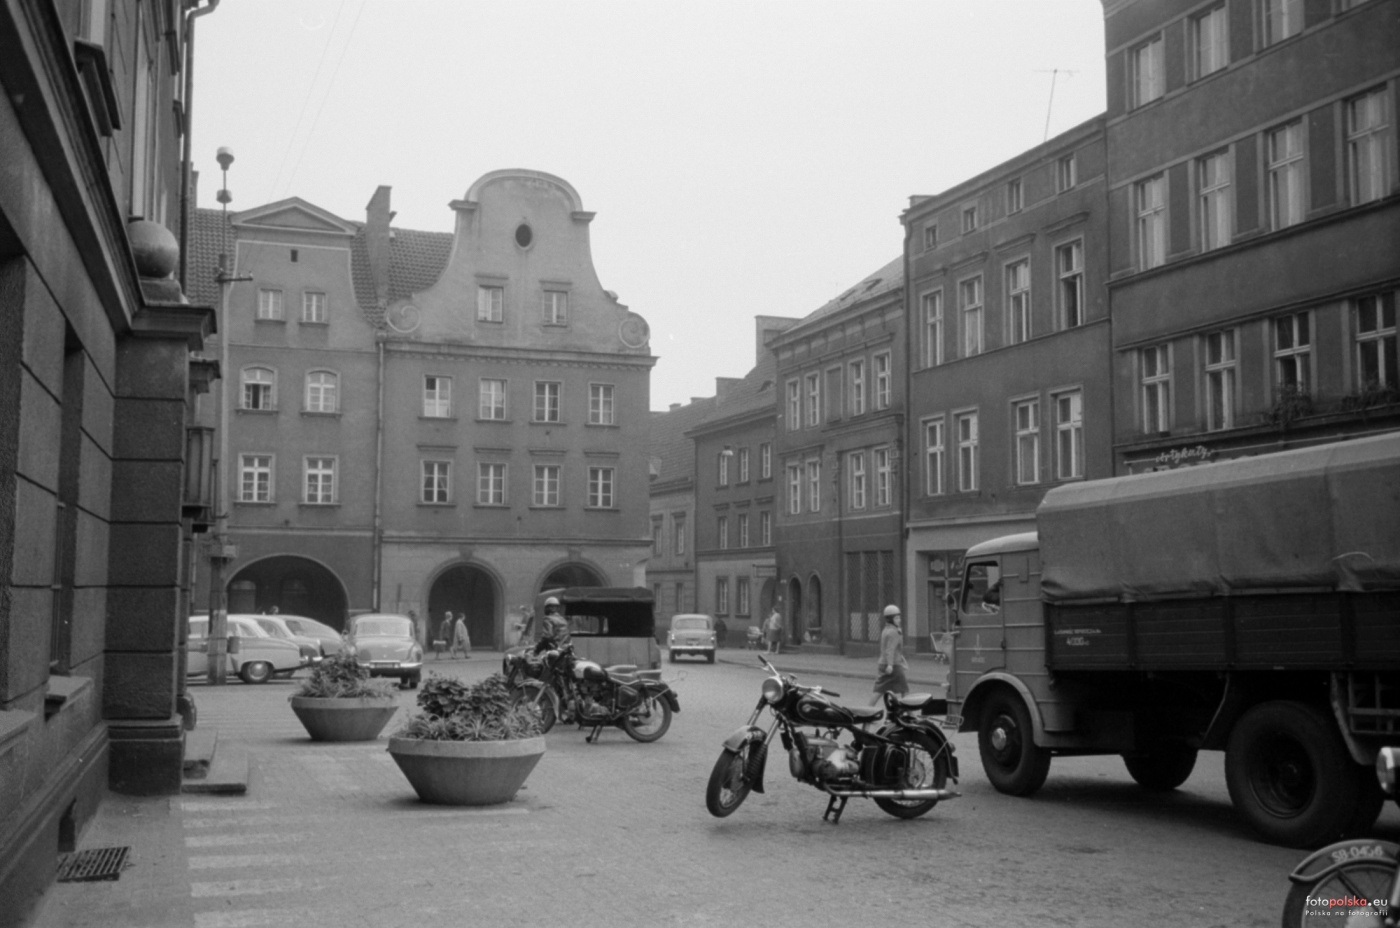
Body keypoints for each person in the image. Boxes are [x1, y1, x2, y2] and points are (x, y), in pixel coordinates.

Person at [871, 604, 910, 705]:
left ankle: (868, 710)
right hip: (894, 665)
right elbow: (890, 649)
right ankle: (910, 713)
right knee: (904, 689)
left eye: (899, 617)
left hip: (883, 663)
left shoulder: (886, 630)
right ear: (890, 619)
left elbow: (890, 650)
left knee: (879, 690)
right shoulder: (894, 632)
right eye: (896, 618)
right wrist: (890, 665)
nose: (899, 620)